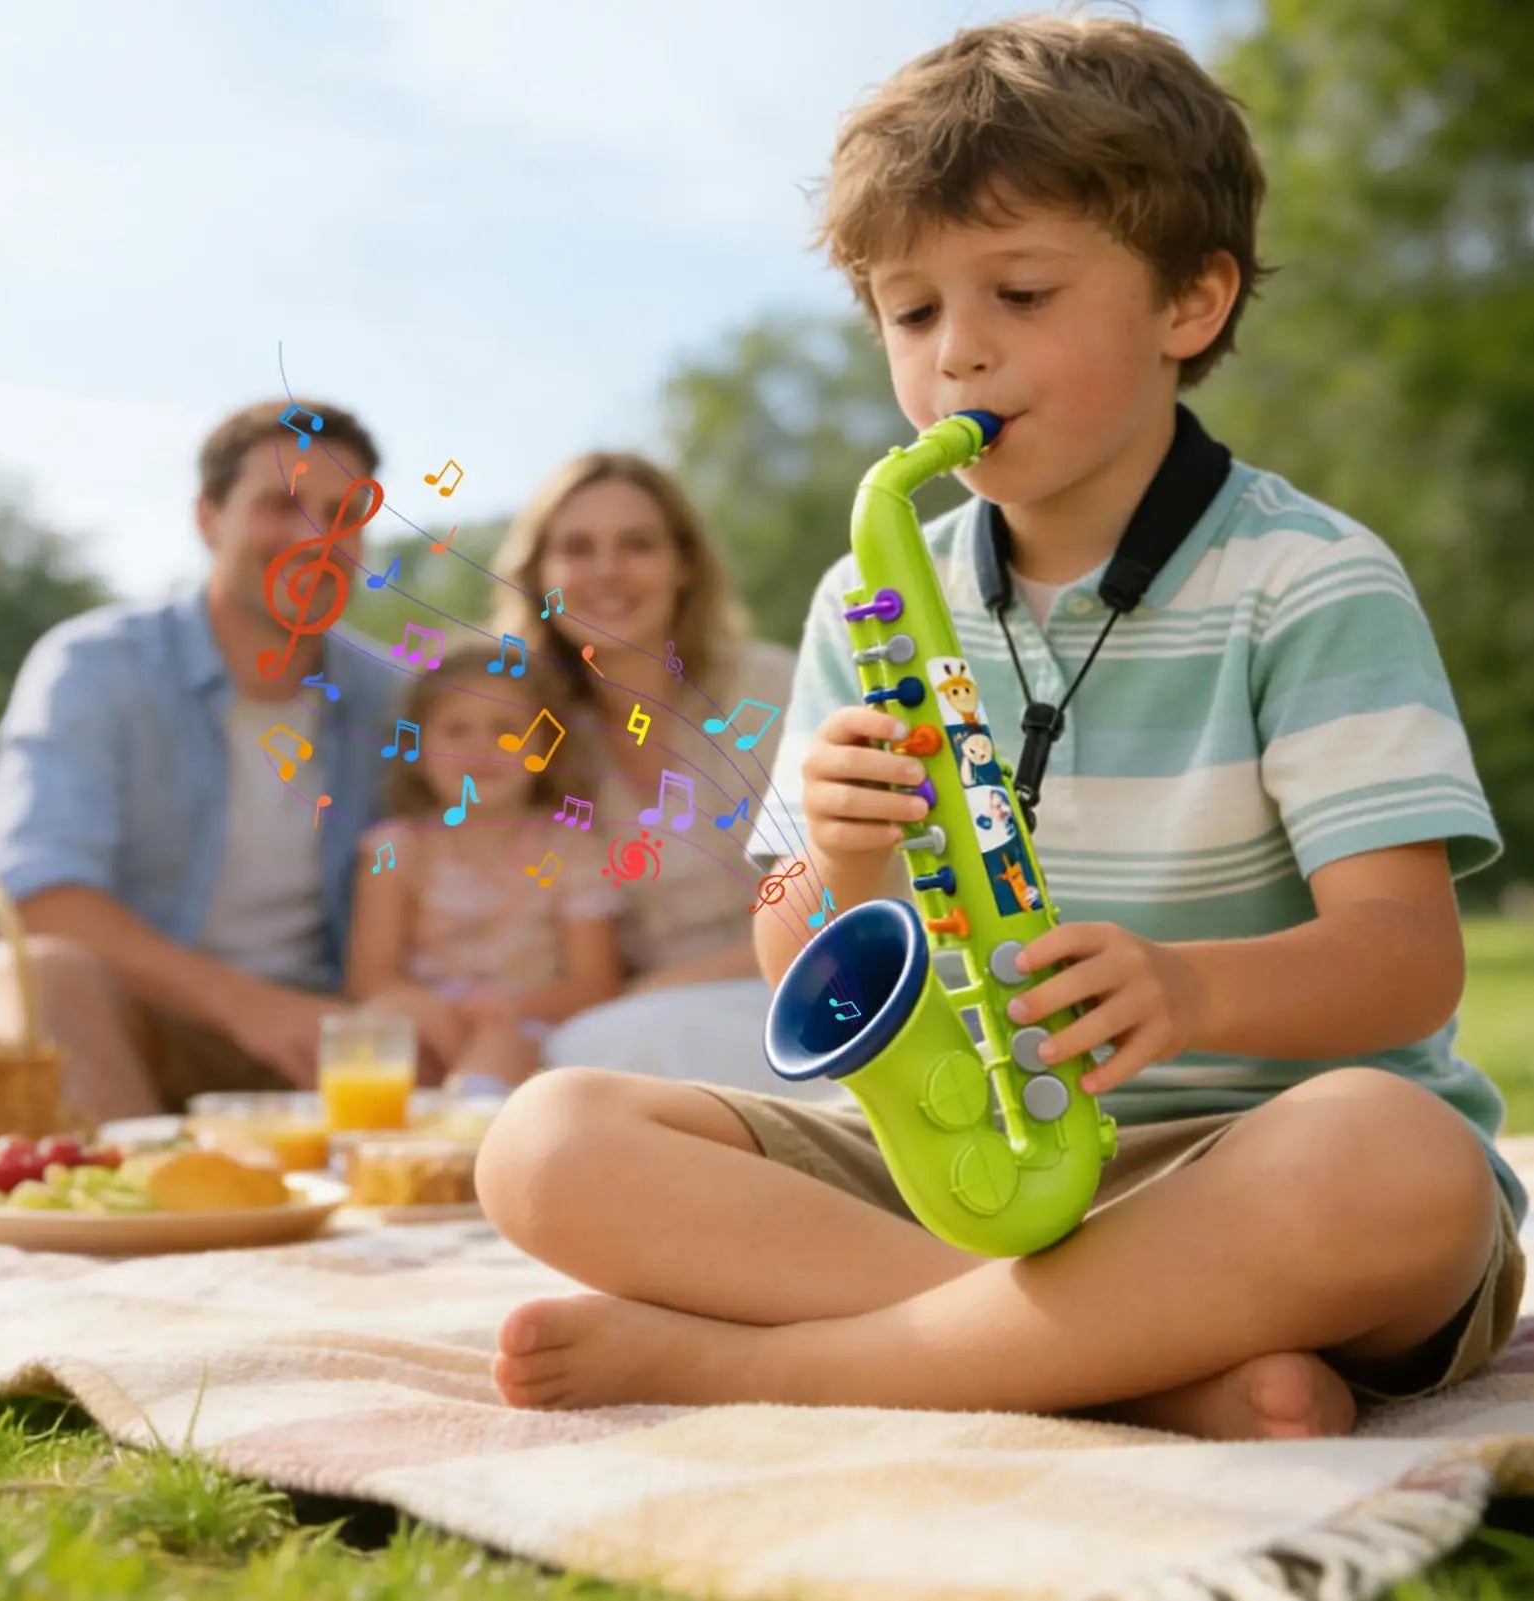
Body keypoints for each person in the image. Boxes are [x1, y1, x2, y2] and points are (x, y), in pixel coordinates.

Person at [469, 15, 1526, 1440]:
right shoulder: (869, 598)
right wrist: (833, 863)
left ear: (1189, 304)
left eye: (1019, 292)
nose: (958, 353)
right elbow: (790, 935)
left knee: (1403, 1161)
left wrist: (1194, 994)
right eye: (911, 314)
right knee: (544, 1141)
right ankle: (1140, 1373)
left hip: (1252, 1162)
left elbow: (1405, 963)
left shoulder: (1308, 578)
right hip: (961, 1166)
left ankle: (802, 1361)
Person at [0, 399, 399, 1121]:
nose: (316, 536)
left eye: (344, 512)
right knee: (42, 974)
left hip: (317, 1037)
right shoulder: (94, 667)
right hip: (131, 1017)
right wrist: (249, 1006)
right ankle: (139, 1211)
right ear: (208, 518)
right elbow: (36, 900)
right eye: (281, 504)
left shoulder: (392, 699)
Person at [488, 451, 814, 1095]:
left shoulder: (772, 689)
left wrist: (645, 992)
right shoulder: (531, 734)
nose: (607, 571)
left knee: (585, 1059)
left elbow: (833, 902)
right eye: (577, 548)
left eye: (637, 544)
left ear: (684, 566)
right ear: (538, 577)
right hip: (632, 1025)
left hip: (802, 990)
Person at [344, 639, 623, 1091]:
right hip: (427, 1017)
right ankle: (373, 1143)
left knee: (500, 1047)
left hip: (526, 1023)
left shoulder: (571, 849)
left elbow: (595, 981)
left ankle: (474, 1129)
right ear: (418, 749)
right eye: (456, 731)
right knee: (376, 1028)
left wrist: (509, 1009)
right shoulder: (396, 849)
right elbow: (371, 975)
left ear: (546, 747)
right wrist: (431, 1012)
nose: (481, 748)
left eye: (506, 729)